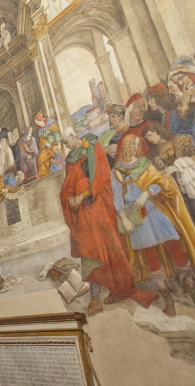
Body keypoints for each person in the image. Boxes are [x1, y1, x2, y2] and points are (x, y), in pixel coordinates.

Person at [60, 128, 157, 316]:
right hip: (84, 213)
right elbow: (68, 183)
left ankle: (117, 289)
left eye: (67, 142)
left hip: (100, 205)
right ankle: (95, 298)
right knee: (89, 251)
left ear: (74, 137)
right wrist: (70, 197)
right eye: (65, 144)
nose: (67, 146)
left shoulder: (92, 146)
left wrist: (84, 193)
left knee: (110, 248)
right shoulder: (71, 159)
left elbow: (103, 173)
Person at [112, 134, 195, 315]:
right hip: (137, 219)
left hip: (154, 212)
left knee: (175, 249)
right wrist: (124, 218)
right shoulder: (117, 171)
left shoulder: (144, 163)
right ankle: (169, 302)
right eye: (131, 145)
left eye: (136, 145)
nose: (134, 148)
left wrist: (146, 193)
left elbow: (161, 182)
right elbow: (117, 198)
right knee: (152, 260)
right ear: (125, 146)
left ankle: (192, 293)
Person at [143, 121, 195, 222]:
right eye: (147, 137)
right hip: (173, 188)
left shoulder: (182, 139)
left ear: (158, 131)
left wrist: (178, 166)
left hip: (190, 181)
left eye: (150, 135)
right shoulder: (151, 155)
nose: (149, 139)